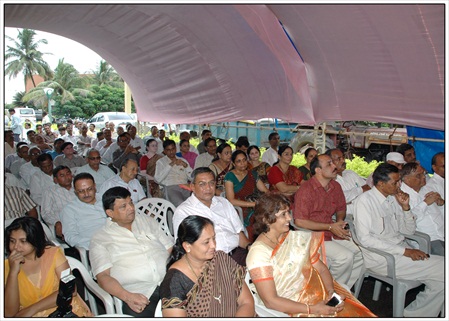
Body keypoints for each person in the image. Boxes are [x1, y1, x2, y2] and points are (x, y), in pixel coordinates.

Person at [246, 194, 375, 317]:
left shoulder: (294, 239)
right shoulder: (259, 253)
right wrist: (314, 309)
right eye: (283, 215)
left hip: (315, 295)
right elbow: (271, 301)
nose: (289, 218)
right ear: (266, 220)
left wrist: (330, 292)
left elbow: (322, 269)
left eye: (288, 212)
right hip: (291, 307)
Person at [353, 163, 445, 317]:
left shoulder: (393, 199)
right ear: (381, 184)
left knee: (441, 281)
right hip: (383, 258)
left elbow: (407, 231)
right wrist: (405, 251)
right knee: (444, 268)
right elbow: (365, 239)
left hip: (401, 251)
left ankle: (414, 315)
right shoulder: (364, 201)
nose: (399, 185)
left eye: (399, 181)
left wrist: (406, 208)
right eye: (395, 182)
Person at [89, 186, 174, 317]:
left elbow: (169, 247)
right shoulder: (100, 238)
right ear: (110, 213)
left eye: (131, 203)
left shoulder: (146, 221)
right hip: (140, 293)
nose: (131, 208)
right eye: (123, 206)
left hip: (169, 283)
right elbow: (103, 277)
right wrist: (127, 297)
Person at [160, 215, 255, 317]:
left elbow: (246, 302)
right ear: (187, 246)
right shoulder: (175, 281)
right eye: (206, 242)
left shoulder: (221, 259)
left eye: (214, 238)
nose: (213, 245)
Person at [293, 154, 363, 290]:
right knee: (345, 257)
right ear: (318, 171)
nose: (334, 166)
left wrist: (340, 223)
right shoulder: (306, 190)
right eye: (329, 164)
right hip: (311, 235)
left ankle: (341, 288)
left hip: (330, 231)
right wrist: (330, 226)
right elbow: (300, 221)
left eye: (333, 163)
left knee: (360, 254)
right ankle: (328, 289)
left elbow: (341, 208)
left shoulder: (335, 186)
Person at [4, 217, 92, 317]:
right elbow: (9, 314)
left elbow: (70, 290)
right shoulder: (7, 266)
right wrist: (13, 272)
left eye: (23, 241)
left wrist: (33, 309)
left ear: (35, 239)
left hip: (63, 309)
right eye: (12, 241)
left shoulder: (53, 254)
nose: (16, 247)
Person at [173, 167, 251, 266]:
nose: (208, 188)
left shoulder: (224, 203)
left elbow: (238, 232)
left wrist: (249, 247)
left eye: (211, 183)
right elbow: (183, 247)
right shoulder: (184, 211)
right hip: (210, 263)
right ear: (192, 187)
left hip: (237, 254)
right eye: (202, 184)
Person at [400, 162, 444, 256]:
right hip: (429, 239)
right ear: (406, 179)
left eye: (424, 173)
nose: (424, 177)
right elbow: (409, 219)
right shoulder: (401, 196)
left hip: (442, 233)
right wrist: (425, 203)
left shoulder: (426, 188)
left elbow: (440, 208)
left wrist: (440, 202)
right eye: (419, 175)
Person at [224, 150, 268, 241]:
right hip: (239, 207)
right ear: (233, 163)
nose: (242, 163)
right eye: (239, 161)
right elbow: (231, 200)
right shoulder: (230, 176)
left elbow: (265, 190)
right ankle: (254, 243)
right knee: (257, 217)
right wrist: (253, 205)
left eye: (244, 160)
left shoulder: (252, 174)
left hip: (256, 203)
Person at [60, 173, 107, 249]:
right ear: (75, 191)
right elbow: (70, 236)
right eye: (81, 191)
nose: (86, 194)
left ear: (95, 186)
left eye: (89, 189)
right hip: (96, 247)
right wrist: (93, 244)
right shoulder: (69, 210)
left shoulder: (106, 199)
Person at [326, 148, 370, 214]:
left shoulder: (350, 173)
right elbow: (340, 198)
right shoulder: (328, 179)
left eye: (343, 157)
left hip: (363, 211)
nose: (343, 160)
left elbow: (367, 189)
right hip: (345, 216)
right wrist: (360, 190)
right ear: (330, 162)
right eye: (339, 159)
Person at [41, 165, 77, 241]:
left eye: (68, 174)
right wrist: (56, 222)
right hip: (64, 224)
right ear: (55, 180)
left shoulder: (79, 188)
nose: (66, 177)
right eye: (62, 175)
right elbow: (46, 213)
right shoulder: (50, 192)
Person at [155, 139, 193, 206]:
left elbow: (192, 178)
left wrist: (186, 166)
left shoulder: (183, 160)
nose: (171, 151)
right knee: (180, 203)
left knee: (195, 202)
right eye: (168, 150)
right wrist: (171, 164)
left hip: (185, 187)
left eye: (173, 149)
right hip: (171, 187)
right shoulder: (160, 162)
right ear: (164, 151)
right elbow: (157, 179)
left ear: (176, 148)